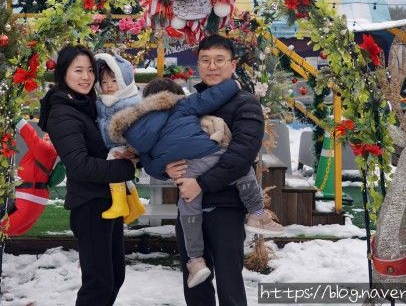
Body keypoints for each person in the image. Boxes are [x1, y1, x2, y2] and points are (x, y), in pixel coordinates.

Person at [109, 77, 282, 289]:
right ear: (173, 97)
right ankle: (257, 214)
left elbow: (149, 165)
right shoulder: (181, 106)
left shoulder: (135, 132)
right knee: (242, 169)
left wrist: (164, 170)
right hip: (208, 155)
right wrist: (234, 84)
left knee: (188, 208)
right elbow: (210, 98)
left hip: (184, 171)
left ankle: (195, 261)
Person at [167, 34, 268, 306]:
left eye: (219, 60)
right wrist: (169, 166)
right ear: (198, 64)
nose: (212, 66)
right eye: (206, 60)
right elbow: (170, 142)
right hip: (189, 206)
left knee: (229, 284)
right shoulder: (189, 104)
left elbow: (242, 155)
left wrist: (200, 183)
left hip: (226, 207)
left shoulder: (246, 103)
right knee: (195, 282)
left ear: (233, 64)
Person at [38, 44, 138, 306]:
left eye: (90, 70)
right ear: (63, 73)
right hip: (90, 205)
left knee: (114, 277)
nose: (86, 77)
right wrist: (126, 168)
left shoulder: (87, 104)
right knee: (98, 285)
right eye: (78, 70)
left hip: (107, 201)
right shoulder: (63, 113)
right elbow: (80, 165)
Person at [94, 52, 145, 222]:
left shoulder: (130, 101)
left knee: (112, 163)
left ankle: (119, 204)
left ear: (124, 80)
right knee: (124, 176)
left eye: (114, 81)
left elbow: (137, 125)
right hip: (112, 143)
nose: (108, 86)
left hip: (124, 144)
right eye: (104, 82)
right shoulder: (103, 100)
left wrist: (133, 147)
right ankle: (135, 203)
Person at [0, 118, 58, 237]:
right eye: (46, 134)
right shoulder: (47, 151)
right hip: (31, 195)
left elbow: (32, 137)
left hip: (30, 196)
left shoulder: (46, 150)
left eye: (50, 136)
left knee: (2, 228)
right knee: (9, 229)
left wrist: (18, 120)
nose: (46, 137)